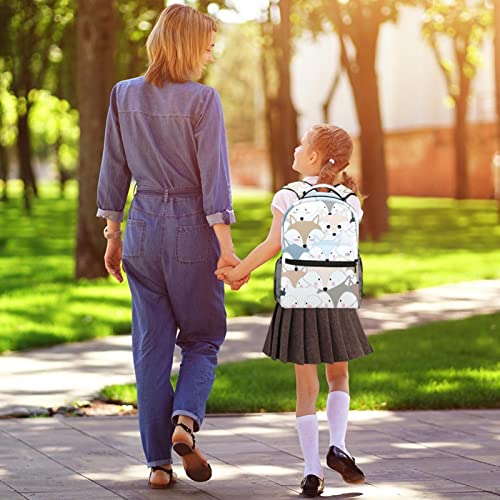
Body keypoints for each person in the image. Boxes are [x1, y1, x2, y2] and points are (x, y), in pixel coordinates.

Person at [96, 4, 247, 490]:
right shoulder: (203, 100)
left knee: (151, 348)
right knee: (203, 338)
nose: (210, 52)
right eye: (206, 44)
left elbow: (113, 170)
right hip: (190, 230)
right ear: (186, 45)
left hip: (140, 228)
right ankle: (185, 421)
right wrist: (226, 249)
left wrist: (113, 235)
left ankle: (158, 464)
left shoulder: (123, 94)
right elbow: (214, 182)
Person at [216, 124, 373, 497]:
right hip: (338, 297)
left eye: (301, 144)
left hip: (298, 296)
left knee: (306, 388)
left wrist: (238, 272)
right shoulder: (351, 200)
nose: (295, 147)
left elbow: (273, 244)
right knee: (339, 377)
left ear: (314, 157)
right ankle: (340, 445)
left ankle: (311, 471)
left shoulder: (288, 196)